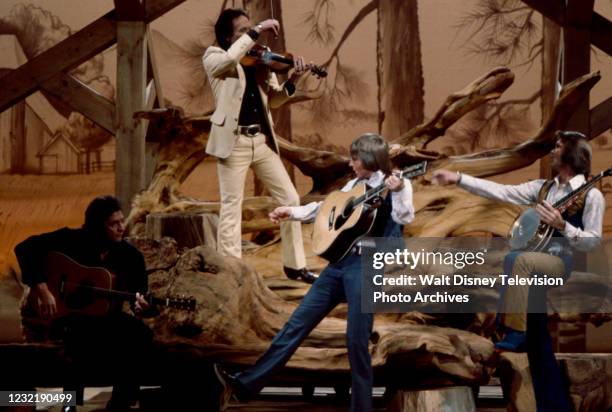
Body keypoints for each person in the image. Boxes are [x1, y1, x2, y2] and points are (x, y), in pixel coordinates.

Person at [214, 133, 415, 412]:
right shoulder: (355, 184)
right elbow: (326, 208)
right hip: (337, 267)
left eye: (355, 158)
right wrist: (291, 212)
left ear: (369, 158)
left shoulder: (398, 184)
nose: (351, 163)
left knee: (356, 341)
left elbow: (405, 217)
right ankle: (246, 384)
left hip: (367, 267)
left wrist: (397, 190)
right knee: (296, 324)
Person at [432, 130, 604, 412]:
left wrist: (563, 226)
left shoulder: (591, 194)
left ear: (572, 153)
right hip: (531, 267)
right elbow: (503, 192)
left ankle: (511, 330)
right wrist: (459, 179)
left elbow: (592, 241)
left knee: (516, 260)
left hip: (558, 262)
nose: (552, 151)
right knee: (538, 340)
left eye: (558, 146)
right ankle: (554, 406)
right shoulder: (544, 188)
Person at [203, 8, 316, 283]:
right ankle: (233, 272)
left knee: (290, 199)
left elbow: (274, 102)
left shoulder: (260, 62)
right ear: (229, 37)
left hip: (260, 141)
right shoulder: (214, 56)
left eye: (250, 28)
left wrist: (293, 80)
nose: (251, 34)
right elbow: (227, 62)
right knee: (232, 206)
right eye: (243, 30)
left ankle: (295, 266)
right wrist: (258, 29)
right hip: (234, 141)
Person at [15, 195, 155, 412]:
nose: (121, 228)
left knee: (141, 334)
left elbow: (141, 297)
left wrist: (141, 307)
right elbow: (25, 248)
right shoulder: (72, 239)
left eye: (122, 221)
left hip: (109, 319)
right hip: (69, 316)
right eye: (113, 223)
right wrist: (42, 290)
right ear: (98, 227)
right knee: (78, 339)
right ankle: (70, 405)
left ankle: (121, 403)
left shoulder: (130, 256)